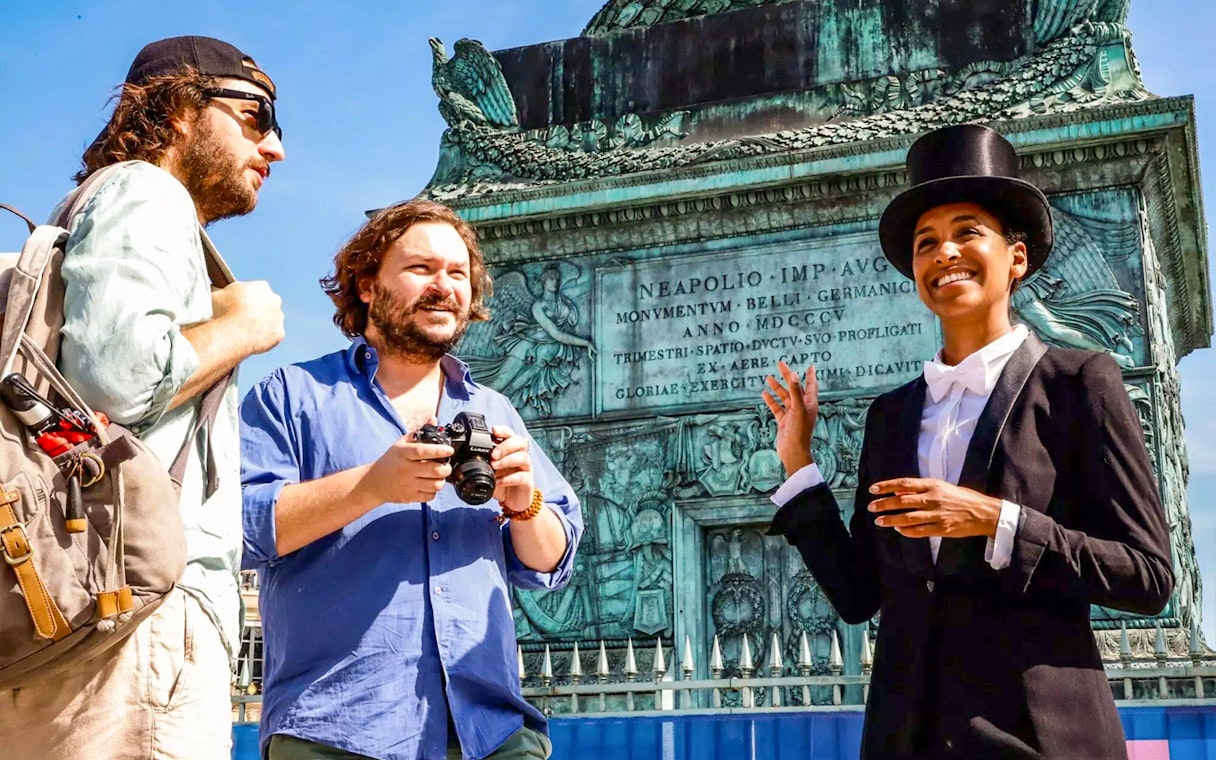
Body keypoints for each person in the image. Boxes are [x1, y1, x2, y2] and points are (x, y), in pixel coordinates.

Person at [762, 124, 1172, 759]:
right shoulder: (891, 416)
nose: (943, 252)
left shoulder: (1078, 383)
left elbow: (1146, 575)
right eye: (927, 243)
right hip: (908, 739)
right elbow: (859, 595)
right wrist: (798, 461)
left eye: (966, 232)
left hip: (1039, 737)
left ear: (1017, 258)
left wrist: (995, 521)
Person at [0, 35, 286, 760]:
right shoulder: (146, 190)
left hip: (73, 609)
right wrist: (244, 327)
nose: (276, 147)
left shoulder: (85, 211)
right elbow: (119, 381)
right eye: (256, 116)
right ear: (183, 109)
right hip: (140, 618)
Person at [241, 199, 583, 760]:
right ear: (368, 283)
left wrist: (525, 503)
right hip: (337, 730)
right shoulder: (292, 395)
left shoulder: (495, 411)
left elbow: (552, 562)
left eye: (457, 273)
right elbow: (241, 528)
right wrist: (372, 486)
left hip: (491, 733)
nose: (444, 286)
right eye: (421, 268)